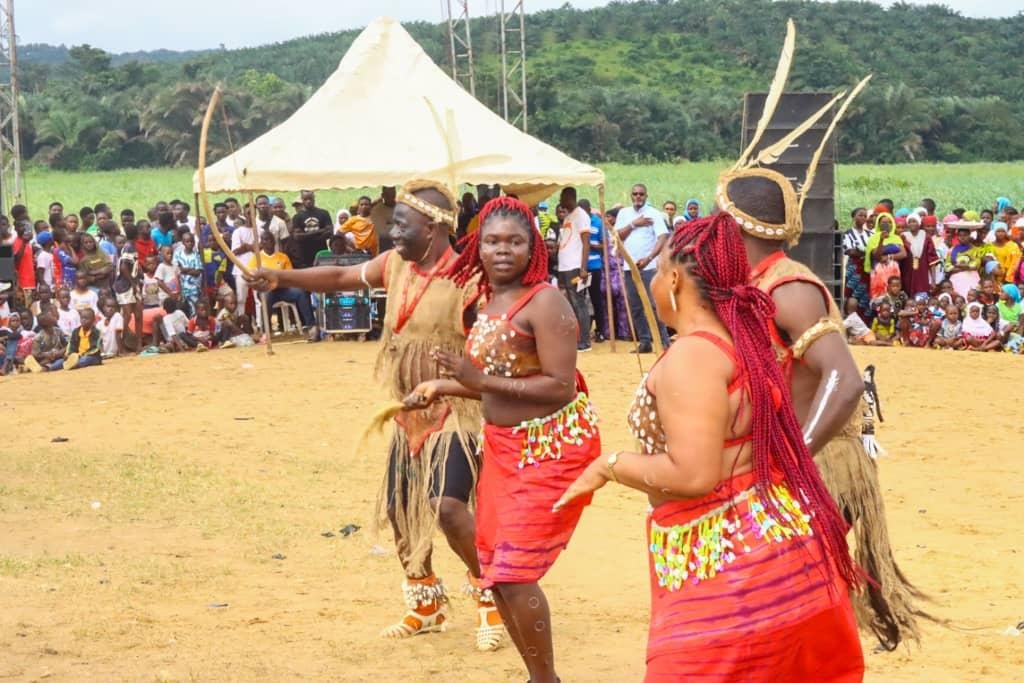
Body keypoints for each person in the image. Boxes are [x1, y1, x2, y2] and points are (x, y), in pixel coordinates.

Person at [554, 215, 864, 681]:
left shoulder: (694, 356)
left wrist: (609, 465)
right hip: (782, 557)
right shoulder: (741, 341)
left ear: (675, 278)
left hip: (734, 572)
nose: (655, 283)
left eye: (658, 272)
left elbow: (694, 475)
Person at [246, 179, 503, 651]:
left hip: (457, 408)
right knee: (398, 508)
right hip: (407, 409)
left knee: (448, 507)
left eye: (401, 225)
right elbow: (343, 278)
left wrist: (465, 381)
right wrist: (283, 277)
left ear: (433, 227)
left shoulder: (469, 277)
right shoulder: (394, 265)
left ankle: (490, 593)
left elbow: (493, 349)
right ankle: (425, 602)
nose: (392, 233)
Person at [718, 96, 927, 647]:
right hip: (794, 466)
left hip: (822, 472)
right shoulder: (757, 284)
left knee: (785, 612)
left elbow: (846, 378)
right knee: (783, 613)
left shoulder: (789, 288)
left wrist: (793, 457)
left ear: (730, 226)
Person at [408, 196, 600, 683]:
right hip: (504, 447)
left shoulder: (546, 301)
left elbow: (558, 386)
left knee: (513, 573)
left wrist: (477, 379)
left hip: (547, 450)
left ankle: (545, 679)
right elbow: (493, 374)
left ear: (533, 246)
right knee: (495, 571)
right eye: (492, 241)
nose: (502, 250)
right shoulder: (489, 301)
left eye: (515, 241)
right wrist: (445, 386)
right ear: (478, 245)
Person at [613, 183, 670, 352]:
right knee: (635, 306)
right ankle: (645, 341)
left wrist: (649, 258)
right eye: (635, 194)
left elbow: (662, 237)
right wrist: (634, 224)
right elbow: (617, 236)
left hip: (649, 266)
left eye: (641, 194)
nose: (638, 197)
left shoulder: (654, 214)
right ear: (631, 196)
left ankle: (663, 341)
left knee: (653, 305)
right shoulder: (624, 214)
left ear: (646, 196)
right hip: (629, 267)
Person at [246, 230, 316, 335]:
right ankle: (266, 331)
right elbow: (252, 276)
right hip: (267, 290)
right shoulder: (256, 258)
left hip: (284, 289)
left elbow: (290, 275)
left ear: (274, 242)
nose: (268, 242)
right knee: (266, 297)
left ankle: (311, 326)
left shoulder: (283, 257)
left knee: (301, 292)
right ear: (262, 242)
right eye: (265, 239)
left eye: (270, 239)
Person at [555, 187, 592, 352]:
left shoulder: (581, 215)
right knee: (569, 303)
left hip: (575, 267)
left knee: (579, 302)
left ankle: (584, 341)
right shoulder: (569, 216)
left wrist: (583, 268)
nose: (560, 201)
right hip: (564, 266)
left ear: (569, 197)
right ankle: (575, 337)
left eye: (562, 197)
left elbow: (586, 243)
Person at [580, 198, 608, 342]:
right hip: (579, 268)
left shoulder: (598, 223)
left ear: (589, 210)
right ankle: (581, 332)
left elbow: (605, 246)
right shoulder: (577, 222)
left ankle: (600, 331)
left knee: (596, 299)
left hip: (594, 267)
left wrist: (589, 245)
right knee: (579, 300)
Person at [290, 191, 334, 269]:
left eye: (310, 199)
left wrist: (306, 236)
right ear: (302, 200)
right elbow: (297, 237)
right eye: (305, 199)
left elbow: (330, 232)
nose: (308, 201)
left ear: (314, 198)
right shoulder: (297, 217)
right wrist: (320, 231)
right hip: (304, 254)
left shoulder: (323, 213)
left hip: (320, 252)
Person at [843, 207, 872, 314]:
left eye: (865, 216)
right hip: (854, 269)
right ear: (853, 217)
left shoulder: (870, 234)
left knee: (866, 294)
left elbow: (873, 249)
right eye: (860, 215)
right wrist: (866, 253)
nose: (863, 218)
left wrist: (861, 252)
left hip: (867, 268)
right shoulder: (847, 233)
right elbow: (850, 251)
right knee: (852, 294)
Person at [900, 213, 937, 297]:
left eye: (914, 221)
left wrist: (933, 281)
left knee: (921, 298)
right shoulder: (903, 236)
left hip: (922, 274)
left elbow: (932, 260)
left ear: (919, 223)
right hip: (907, 273)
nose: (912, 224)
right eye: (910, 222)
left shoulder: (926, 237)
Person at [25, 308, 66, 372]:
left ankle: (42, 367)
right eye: (52, 316)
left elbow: (66, 345)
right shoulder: (38, 337)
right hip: (45, 359)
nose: (54, 317)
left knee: (62, 360)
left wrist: (59, 353)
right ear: (47, 322)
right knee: (56, 362)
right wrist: (47, 355)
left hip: (57, 357)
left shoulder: (58, 331)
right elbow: (35, 354)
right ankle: (44, 367)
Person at [173, 232, 203, 316]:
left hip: (194, 289)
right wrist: (190, 269)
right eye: (187, 241)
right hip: (181, 289)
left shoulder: (196, 256)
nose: (190, 243)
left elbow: (197, 272)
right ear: (183, 242)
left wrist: (184, 269)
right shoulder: (178, 254)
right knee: (181, 311)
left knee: (194, 311)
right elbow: (176, 269)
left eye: (191, 241)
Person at [370, 186, 397, 252]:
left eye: (393, 195)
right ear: (383, 195)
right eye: (388, 195)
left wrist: (389, 224)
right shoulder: (377, 210)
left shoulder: (401, 207)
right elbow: (383, 232)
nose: (391, 198)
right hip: (385, 246)